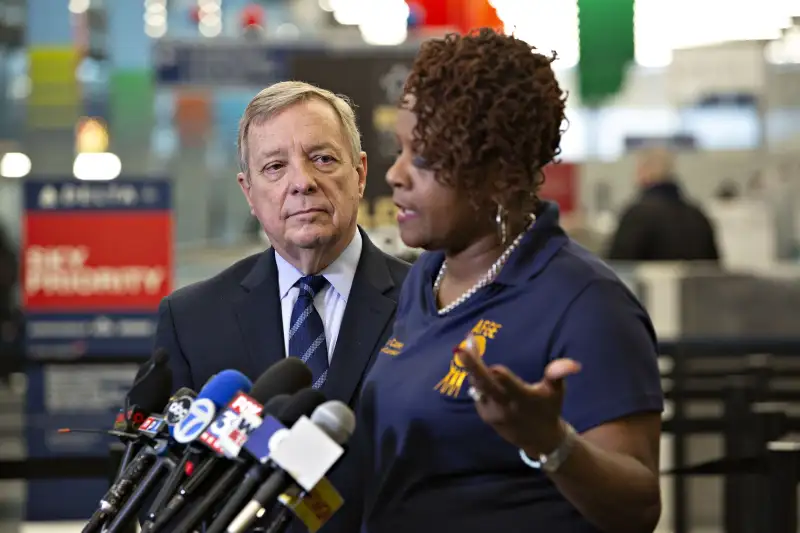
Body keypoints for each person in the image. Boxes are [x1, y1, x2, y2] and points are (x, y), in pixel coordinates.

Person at [348, 29, 664, 533]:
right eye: (400, 149)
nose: (396, 174)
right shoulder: (423, 279)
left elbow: (638, 506)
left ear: (498, 176)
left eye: (424, 158)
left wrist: (551, 442)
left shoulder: (587, 304)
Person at [152, 81, 410, 530]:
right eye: (274, 167)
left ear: (360, 172)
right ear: (248, 192)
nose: (302, 182)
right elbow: (169, 494)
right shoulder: (192, 320)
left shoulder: (427, 303)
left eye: (323, 158)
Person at [607, 146, 720, 262]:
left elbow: (618, 267)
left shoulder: (636, 216)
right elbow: (713, 269)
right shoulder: (697, 216)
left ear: (643, 171)